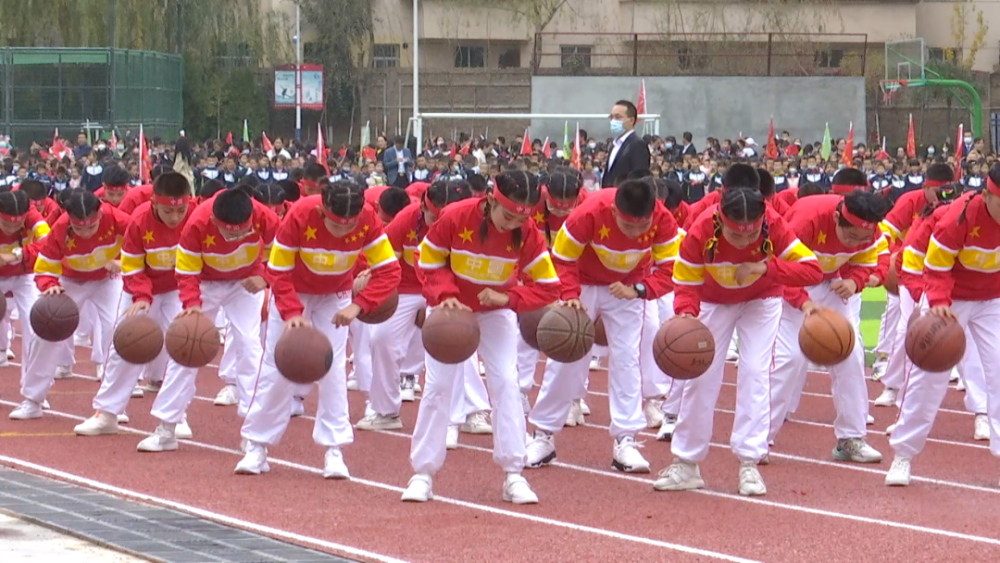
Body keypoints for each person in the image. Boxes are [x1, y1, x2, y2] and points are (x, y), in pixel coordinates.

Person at [654, 180, 823, 497]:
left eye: (751, 233)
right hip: (713, 301)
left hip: (762, 299)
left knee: (756, 373)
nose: (745, 239)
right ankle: (687, 463)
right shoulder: (701, 230)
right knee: (700, 376)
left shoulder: (774, 224)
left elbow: (812, 270)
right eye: (736, 234)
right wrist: (687, 313)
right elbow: (686, 280)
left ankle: (749, 462)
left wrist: (765, 268)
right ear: (720, 218)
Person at [401, 170, 559, 504]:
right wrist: (445, 294)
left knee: (506, 382)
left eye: (521, 217)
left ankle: (514, 473)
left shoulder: (527, 232)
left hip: (495, 311)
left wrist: (510, 299)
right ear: (490, 200)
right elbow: (426, 259)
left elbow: (548, 286)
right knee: (438, 385)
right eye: (507, 215)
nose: (512, 223)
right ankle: (423, 473)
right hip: (450, 311)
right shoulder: (456, 217)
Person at [237, 180, 401, 478]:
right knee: (277, 365)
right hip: (294, 290)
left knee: (333, 367)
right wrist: (291, 313)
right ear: (322, 212)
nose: (344, 234)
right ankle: (257, 445)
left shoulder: (368, 219)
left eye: (350, 227)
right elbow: (278, 270)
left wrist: (359, 305)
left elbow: (389, 270)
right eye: (337, 227)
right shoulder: (299, 215)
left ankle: (334, 449)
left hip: (336, 294)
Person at [527, 178, 680, 474]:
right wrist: (570, 295)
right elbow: (561, 259)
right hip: (582, 281)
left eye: (641, 226)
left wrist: (640, 289)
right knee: (566, 356)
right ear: (613, 210)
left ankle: (626, 440)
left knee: (627, 360)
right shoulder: (587, 214)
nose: (636, 233)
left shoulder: (663, 220)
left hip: (628, 286)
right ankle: (543, 435)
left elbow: (671, 269)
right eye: (628, 226)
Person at [885, 166, 1000, 486]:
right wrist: (938, 306)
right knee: (928, 375)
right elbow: (935, 268)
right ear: (987, 195)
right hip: (952, 297)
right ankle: (903, 455)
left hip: (994, 299)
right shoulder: (957, 219)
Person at [768, 189, 891, 463]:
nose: (855, 243)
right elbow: (780, 270)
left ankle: (851, 437)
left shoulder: (870, 230)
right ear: (837, 217)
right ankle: (759, 437)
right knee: (788, 359)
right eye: (850, 237)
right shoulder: (805, 218)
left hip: (833, 286)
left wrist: (855, 282)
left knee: (851, 353)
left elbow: (870, 263)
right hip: (794, 285)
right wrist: (803, 303)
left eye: (863, 238)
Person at [72, 173, 198, 440]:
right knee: (126, 344)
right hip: (140, 289)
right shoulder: (139, 221)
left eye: (180, 210)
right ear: (154, 201)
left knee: (184, 344)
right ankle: (107, 414)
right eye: (168, 211)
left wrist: (192, 298)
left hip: (179, 288)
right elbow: (131, 265)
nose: (175, 217)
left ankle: (177, 415)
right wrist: (142, 296)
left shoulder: (195, 218)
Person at [361, 181, 473, 431]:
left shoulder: (468, 224)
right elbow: (383, 259)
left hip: (453, 291)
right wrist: (369, 275)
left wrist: (436, 298)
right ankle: (386, 410)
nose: (442, 221)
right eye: (436, 216)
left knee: (459, 340)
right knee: (380, 337)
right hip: (405, 288)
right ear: (423, 207)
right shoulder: (405, 220)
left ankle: (474, 411)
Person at [11, 190, 130, 421]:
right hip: (69, 280)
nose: (85, 232)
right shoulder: (61, 227)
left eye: (91, 226)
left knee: (117, 331)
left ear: (100, 212)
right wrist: (50, 284)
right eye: (79, 228)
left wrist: (123, 261)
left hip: (108, 279)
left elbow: (140, 246)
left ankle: (112, 406)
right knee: (46, 330)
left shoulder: (118, 219)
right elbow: (44, 266)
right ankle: (33, 399)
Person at [174, 186, 278, 417]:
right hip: (206, 283)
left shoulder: (263, 216)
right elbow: (186, 271)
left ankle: (253, 419)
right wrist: (191, 305)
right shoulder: (196, 223)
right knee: (187, 342)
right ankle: (171, 420)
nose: (236, 239)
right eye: (230, 234)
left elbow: (287, 252)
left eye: (243, 233)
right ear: (214, 220)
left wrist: (265, 276)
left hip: (246, 281)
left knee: (250, 343)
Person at [873, 163, 955, 404]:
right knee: (904, 328)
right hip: (910, 270)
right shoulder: (911, 203)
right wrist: (890, 255)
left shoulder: (958, 207)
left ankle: (976, 400)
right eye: (938, 191)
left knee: (959, 328)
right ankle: (891, 383)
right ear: (925, 188)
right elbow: (884, 231)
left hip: (944, 276)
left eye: (948, 190)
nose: (944, 196)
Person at [601, 100, 650, 188]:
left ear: (631, 120)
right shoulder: (614, 145)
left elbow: (639, 178)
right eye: (611, 117)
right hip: (608, 197)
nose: (613, 121)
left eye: (618, 117)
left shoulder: (637, 144)